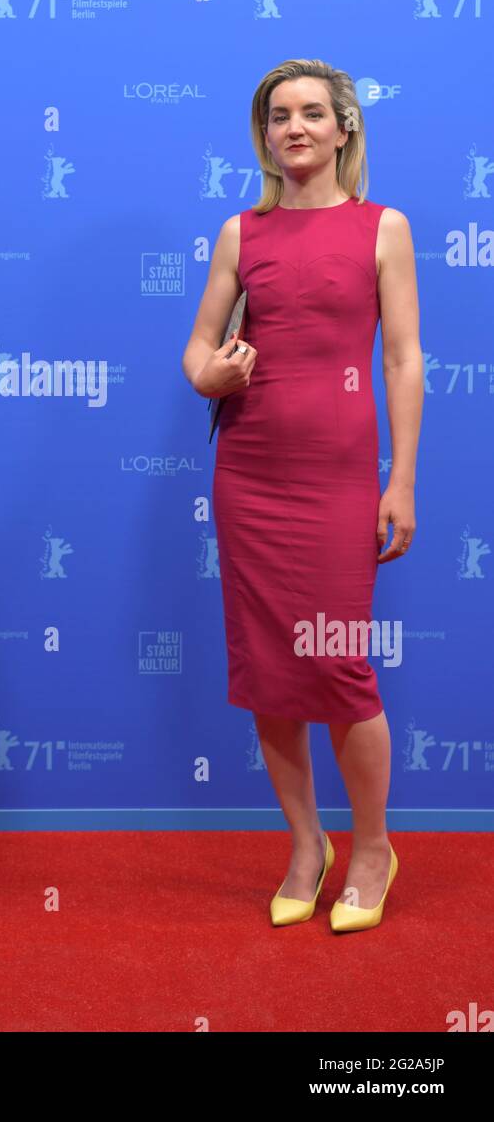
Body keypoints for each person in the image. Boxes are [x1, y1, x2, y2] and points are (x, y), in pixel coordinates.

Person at [182, 60, 422, 932]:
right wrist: (215, 373)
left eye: (313, 113)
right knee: (272, 672)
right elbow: (199, 353)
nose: (296, 128)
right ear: (265, 136)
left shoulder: (382, 227)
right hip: (250, 478)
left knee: (338, 666)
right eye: (280, 116)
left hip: (337, 482)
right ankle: (304, 844)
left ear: (344, 128)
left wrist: (399, 480)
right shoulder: (241, 233)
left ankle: (371, 849)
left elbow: (402, 359)